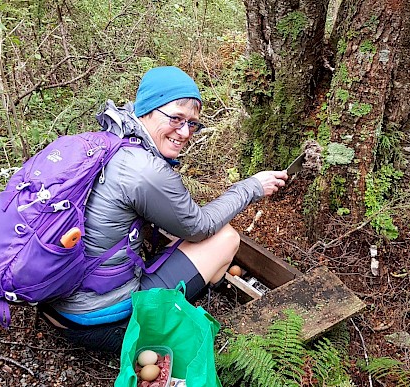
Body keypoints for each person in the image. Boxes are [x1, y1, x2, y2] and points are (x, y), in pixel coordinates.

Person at [39, 66, 288, 353]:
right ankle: (201, 294)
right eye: (175, 118)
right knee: (226, 238)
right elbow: (200, 227)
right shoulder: (145, 170)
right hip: (102, 324)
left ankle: (213, 280)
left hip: (57, 302)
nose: (184, 132)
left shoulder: (107, 143)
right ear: (146, 111)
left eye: (192, 123)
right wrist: (252, 186)